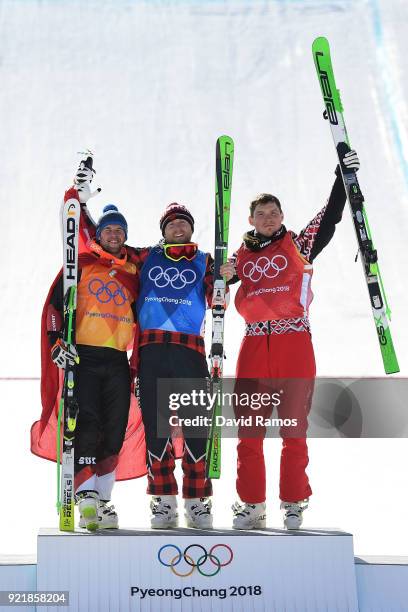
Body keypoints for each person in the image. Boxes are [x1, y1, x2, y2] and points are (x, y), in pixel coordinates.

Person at [221, 147, 360, 530]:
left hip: (293, 343)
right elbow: (214, 287)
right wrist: (221, 276)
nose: (268, 219)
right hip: (253, 347)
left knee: (294, 430)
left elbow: (328, 219)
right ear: (251, 219)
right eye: (261, 214)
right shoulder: (241, 257)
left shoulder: (298, 245)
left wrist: (341, 178)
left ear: (282, 217)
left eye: (274, 213)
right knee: (249, 433)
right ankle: (251, 504)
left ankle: (293, 502)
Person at [45, 203, 139, 531]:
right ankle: (84, 494)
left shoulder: (133, 271)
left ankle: (103, 498)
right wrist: (56, 342)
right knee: (87, 422)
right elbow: (55, 307)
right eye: (108, 229)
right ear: (99, 234)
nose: (114, 234)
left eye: (120, 230)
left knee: (115, 428)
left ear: (126, 235)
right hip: (83, 355)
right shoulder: (82, 264)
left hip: (117, 359)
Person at [134, 203, 215, 529]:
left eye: (183, 223)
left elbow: (231, 277)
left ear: (191, 228)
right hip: (152, 351)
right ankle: (163, 502)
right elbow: (106, 244)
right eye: (172, 224)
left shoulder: (205, 260)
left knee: (196, 426)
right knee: (158, 430)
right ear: (163, 230)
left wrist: (227, 276)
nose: (178, 228)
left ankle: (197, 503)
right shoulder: (144, 257)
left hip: (190, 351)